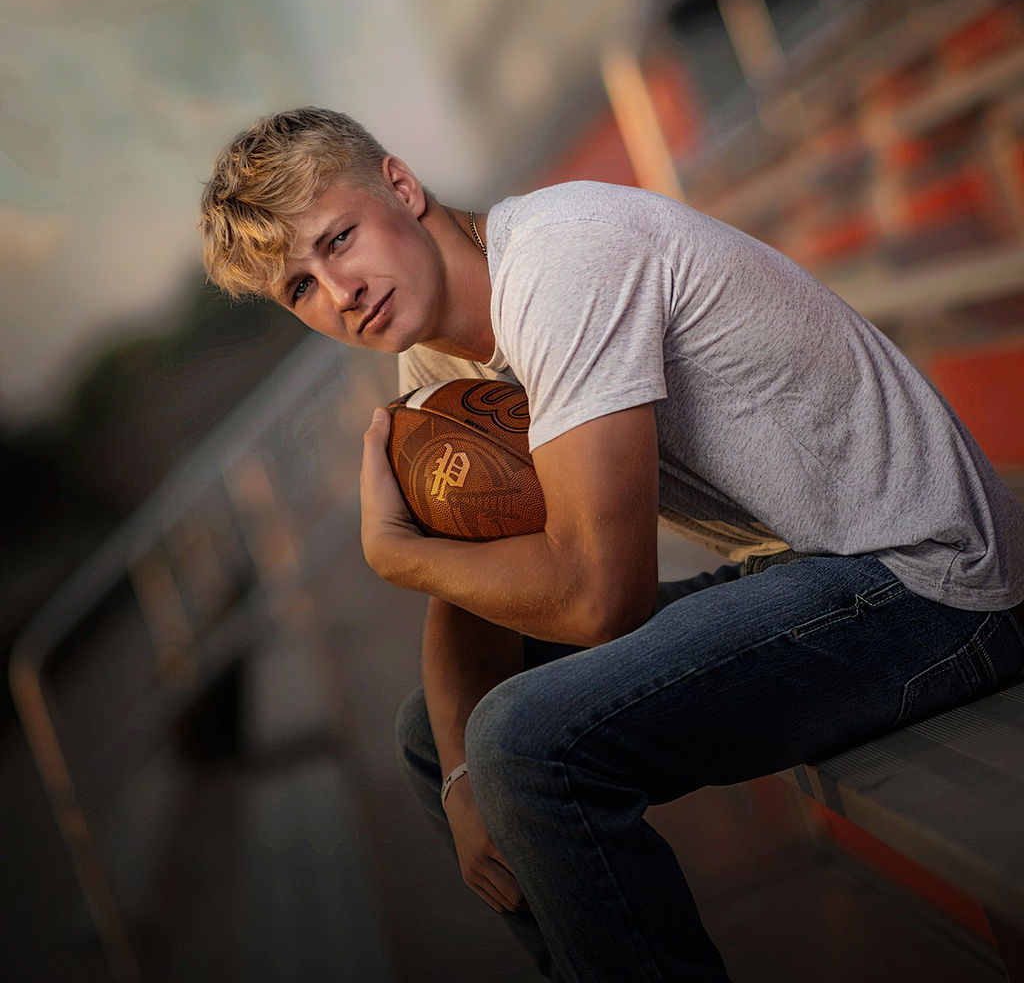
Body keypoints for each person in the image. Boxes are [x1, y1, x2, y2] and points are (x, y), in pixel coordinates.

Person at [200, 105, 1024, 983]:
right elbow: (481, 603)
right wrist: (454, 780)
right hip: (829, 563)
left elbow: (603, 599)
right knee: (431, 731)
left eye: (338, 240)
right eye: (298, 288)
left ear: (401, 188)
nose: (339, 292)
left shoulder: (562, 260)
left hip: (936, 579)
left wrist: (397, 553)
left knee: (521, 741)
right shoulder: (438, 371)